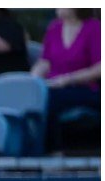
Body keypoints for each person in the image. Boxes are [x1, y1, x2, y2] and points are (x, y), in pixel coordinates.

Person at [31, 8, 101, 151]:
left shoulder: (94, 28)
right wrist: (33, 80)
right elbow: (45, 62)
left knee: (48, 100)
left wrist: (67, 80)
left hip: (85, 88)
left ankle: (52, 153)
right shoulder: (54, 28)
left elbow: (99, 68)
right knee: (35, 96)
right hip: (54, 87)